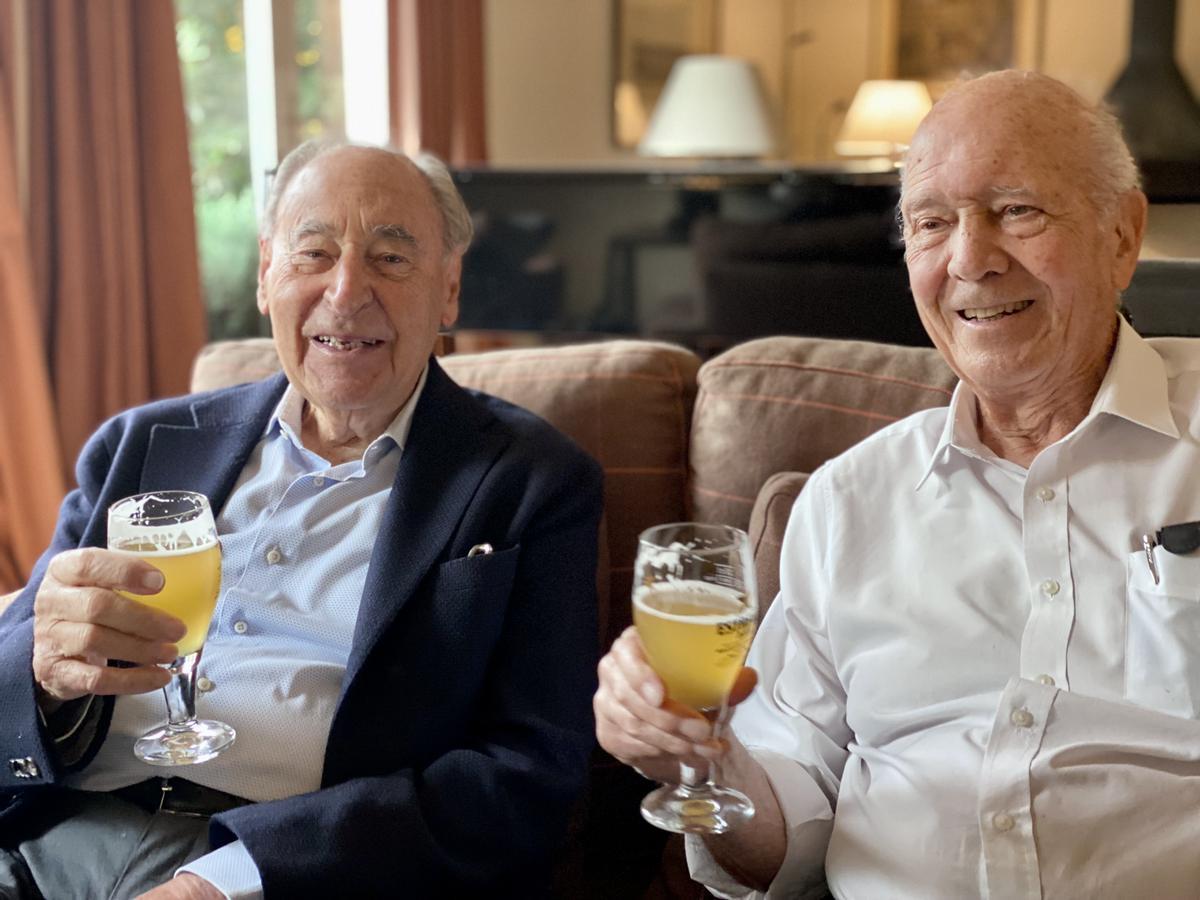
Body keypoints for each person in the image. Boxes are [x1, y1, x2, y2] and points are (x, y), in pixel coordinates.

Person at [596, 69, 1200, 898]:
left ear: (1123, 236)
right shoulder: (848, 503)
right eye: (932, 223)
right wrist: (698, 758)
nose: (972, 260)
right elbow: (782, 846)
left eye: (1017, 210)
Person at [0, 142, 603, 899]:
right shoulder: (138, 446)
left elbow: (528, 773)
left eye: (390, 259)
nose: (345, 293)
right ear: (265, 274)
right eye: (313, 253)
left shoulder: (533, 483)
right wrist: (44, 677)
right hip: (42, 834)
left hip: (284, 868)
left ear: (448, 289)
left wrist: (224, 880)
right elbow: (13, 671)